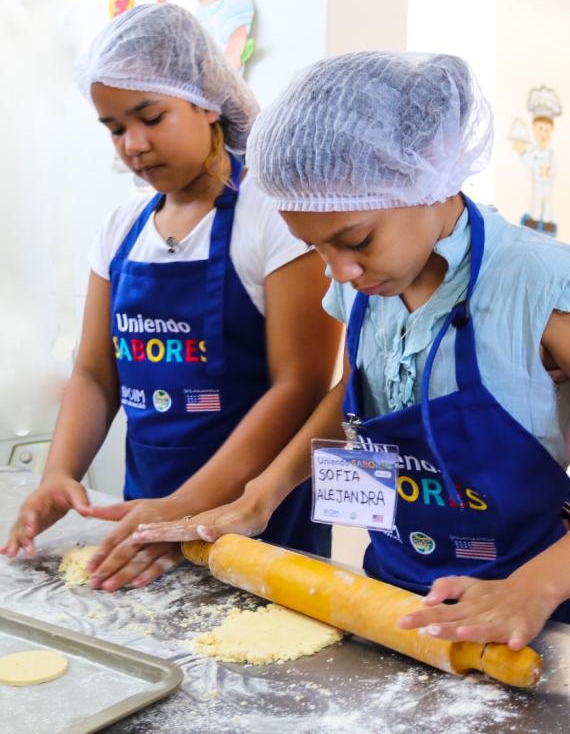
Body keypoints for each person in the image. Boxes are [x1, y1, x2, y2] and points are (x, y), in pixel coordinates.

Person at [135, 52, 570, 650]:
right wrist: (259, 498)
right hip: (392, 595)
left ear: (428, 177)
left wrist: (536, 587)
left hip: (533, 611)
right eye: (315, 249)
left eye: (356, 239)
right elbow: (354, 398)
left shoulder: (538, 283)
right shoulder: (365, 283)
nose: (339, 270)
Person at [0, 4, 340, 589]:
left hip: (257, 519)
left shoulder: (275, 216)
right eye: (114, 128)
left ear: (208, 100)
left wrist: (189, 504)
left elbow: (300, 384)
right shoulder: (121, 228)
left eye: (150, 117)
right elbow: (94, 373)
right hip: (146, 512)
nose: (133, 144)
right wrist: (59, 473)